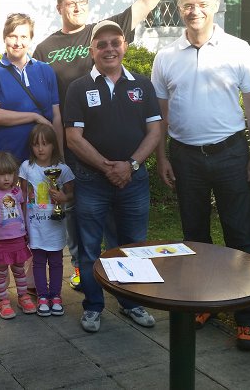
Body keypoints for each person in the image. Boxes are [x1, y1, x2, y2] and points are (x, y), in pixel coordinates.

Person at [32, 0, 185, 292]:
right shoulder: (45, 48)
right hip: (74, 147)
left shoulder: (104, 31)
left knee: (119, 226)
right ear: (59, 7)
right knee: (78, 222)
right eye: (70, 3)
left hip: (117, 154)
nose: (77, 8)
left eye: (82, 2)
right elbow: (41, 98)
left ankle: (121, 281)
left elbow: (147, 1)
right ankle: (83, 274)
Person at [151, 0, 250, 351]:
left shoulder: (237, 49)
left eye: (202, 4)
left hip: (231, 153)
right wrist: (162, 156)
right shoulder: (166, 56)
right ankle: (204, 304)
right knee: (195, 237)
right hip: (186, 157)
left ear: (216, 6)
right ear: (178, 9)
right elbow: (160, 115)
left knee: (240, 235)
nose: (195, 11)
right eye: (187, 5)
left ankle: (247, 319)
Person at [63, 20, 163, 333]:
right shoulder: (79, 88)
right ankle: (93, 306)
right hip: (92, 182)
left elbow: (155, 131)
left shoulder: (142, 85)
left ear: (124, 46)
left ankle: (131, 302)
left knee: (132, 246)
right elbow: (73, 138)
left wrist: (130, 165)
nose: (109, 49)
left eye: (115, 42)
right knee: (91, 248)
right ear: (91, 51)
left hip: (134, 181)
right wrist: (108, 167)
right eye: (102, 44)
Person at [0, 13, 61, 306]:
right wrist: (34, 116)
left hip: (35, 165)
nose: (18, 41)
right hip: (0, 162)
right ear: (5, 37)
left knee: (31, 220)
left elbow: (56, 116)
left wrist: (59, 157)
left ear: (31, 39)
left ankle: (30, 284)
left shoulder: (45, 71)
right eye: (13, 35)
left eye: (24, 36)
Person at [18, 124, 74, 317]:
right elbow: (22, 196)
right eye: (36, 144)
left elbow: (72, 194)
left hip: (55, 226)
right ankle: (42, 296)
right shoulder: (26, 167)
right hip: (35, 225)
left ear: (53, 145)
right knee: (39, 262)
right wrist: (22, 223)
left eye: (45, 144)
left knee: (56, 262)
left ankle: (56, 296)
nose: (40, 149)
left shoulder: (63, 169)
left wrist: (63, 198)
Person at [0, 151, 35, 319]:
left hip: (18, 240)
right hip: (0, 242)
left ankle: (23, 297)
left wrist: (27, 232)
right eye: (2, 174)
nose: (6, 178)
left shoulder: (17, 192)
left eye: (10, 174)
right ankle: (2, 301)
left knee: (19, 270)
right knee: (0, 273)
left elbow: (23, 210)